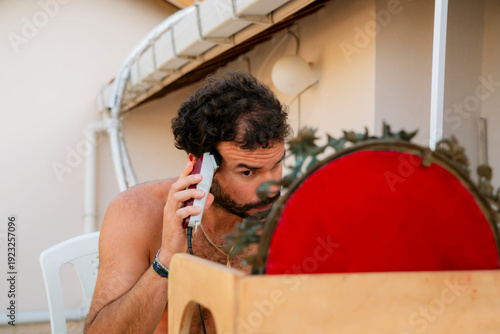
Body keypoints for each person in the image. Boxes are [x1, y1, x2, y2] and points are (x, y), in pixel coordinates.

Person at [84, 70, 291, 333]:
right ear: (201, 166)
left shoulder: (290, 215)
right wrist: (168, 257)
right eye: (247, 172)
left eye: (277, 165)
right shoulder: (137, 211)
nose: (270, 188)